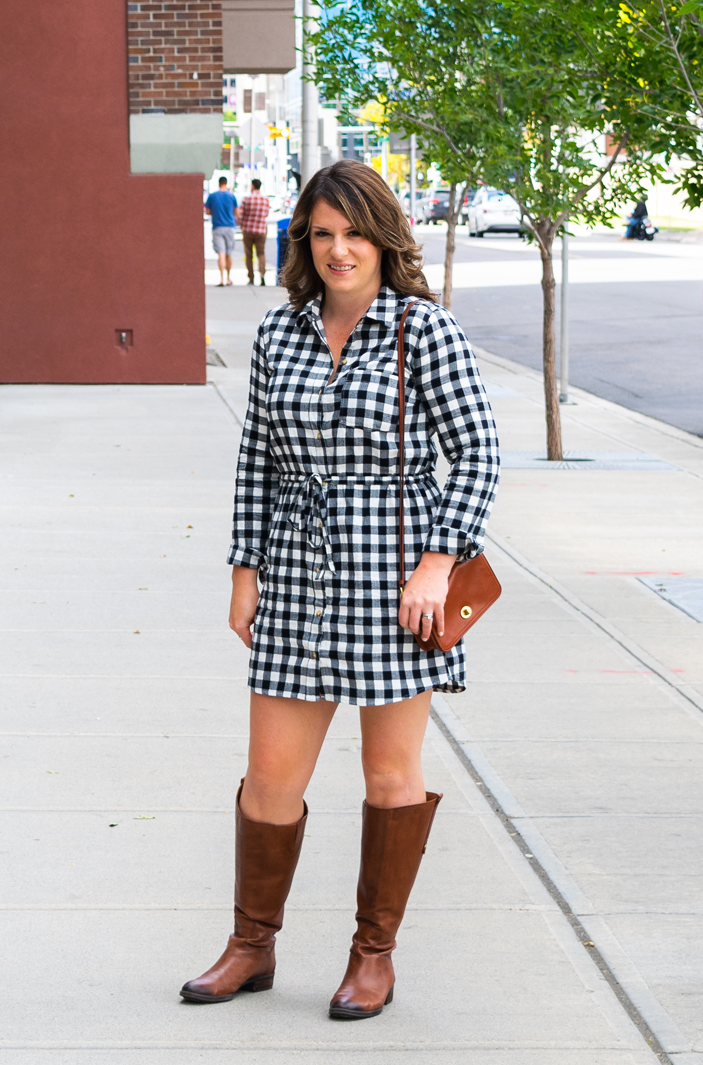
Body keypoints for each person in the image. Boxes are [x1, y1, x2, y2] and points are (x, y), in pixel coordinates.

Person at [181, 160, 500, 1019]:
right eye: (322, 235)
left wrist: (439, 562)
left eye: (354, 233)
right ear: (303, 243)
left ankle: (373, 957)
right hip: (294, 571)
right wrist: (245, 570)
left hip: (397, 581)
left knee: (391, 775)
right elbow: (257, 462)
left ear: (383, 238)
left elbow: (478, 451)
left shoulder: (422, 331)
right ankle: (252, 945)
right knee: (269, 777)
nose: (338, 250)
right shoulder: (281, 334)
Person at [205, 176, 239, 286]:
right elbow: (237, 213)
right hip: (229, 227)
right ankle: (229, 278)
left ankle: (221, 279)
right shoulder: (231, 196)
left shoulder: (212, 196)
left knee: (221, 254)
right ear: (226, 183)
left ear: (219, 184)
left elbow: (208, 211)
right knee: (229, 254)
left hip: (217, 227)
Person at [239, 178, 271, 286]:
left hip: (248, 230)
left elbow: (240, 216)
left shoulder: (246, 199)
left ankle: (251, 278)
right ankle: (262, 275)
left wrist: (241, 225)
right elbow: (266, 214)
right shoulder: (265, 200)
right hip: (261, 231)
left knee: (249, 255)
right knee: (261, 253)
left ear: (252, 186)